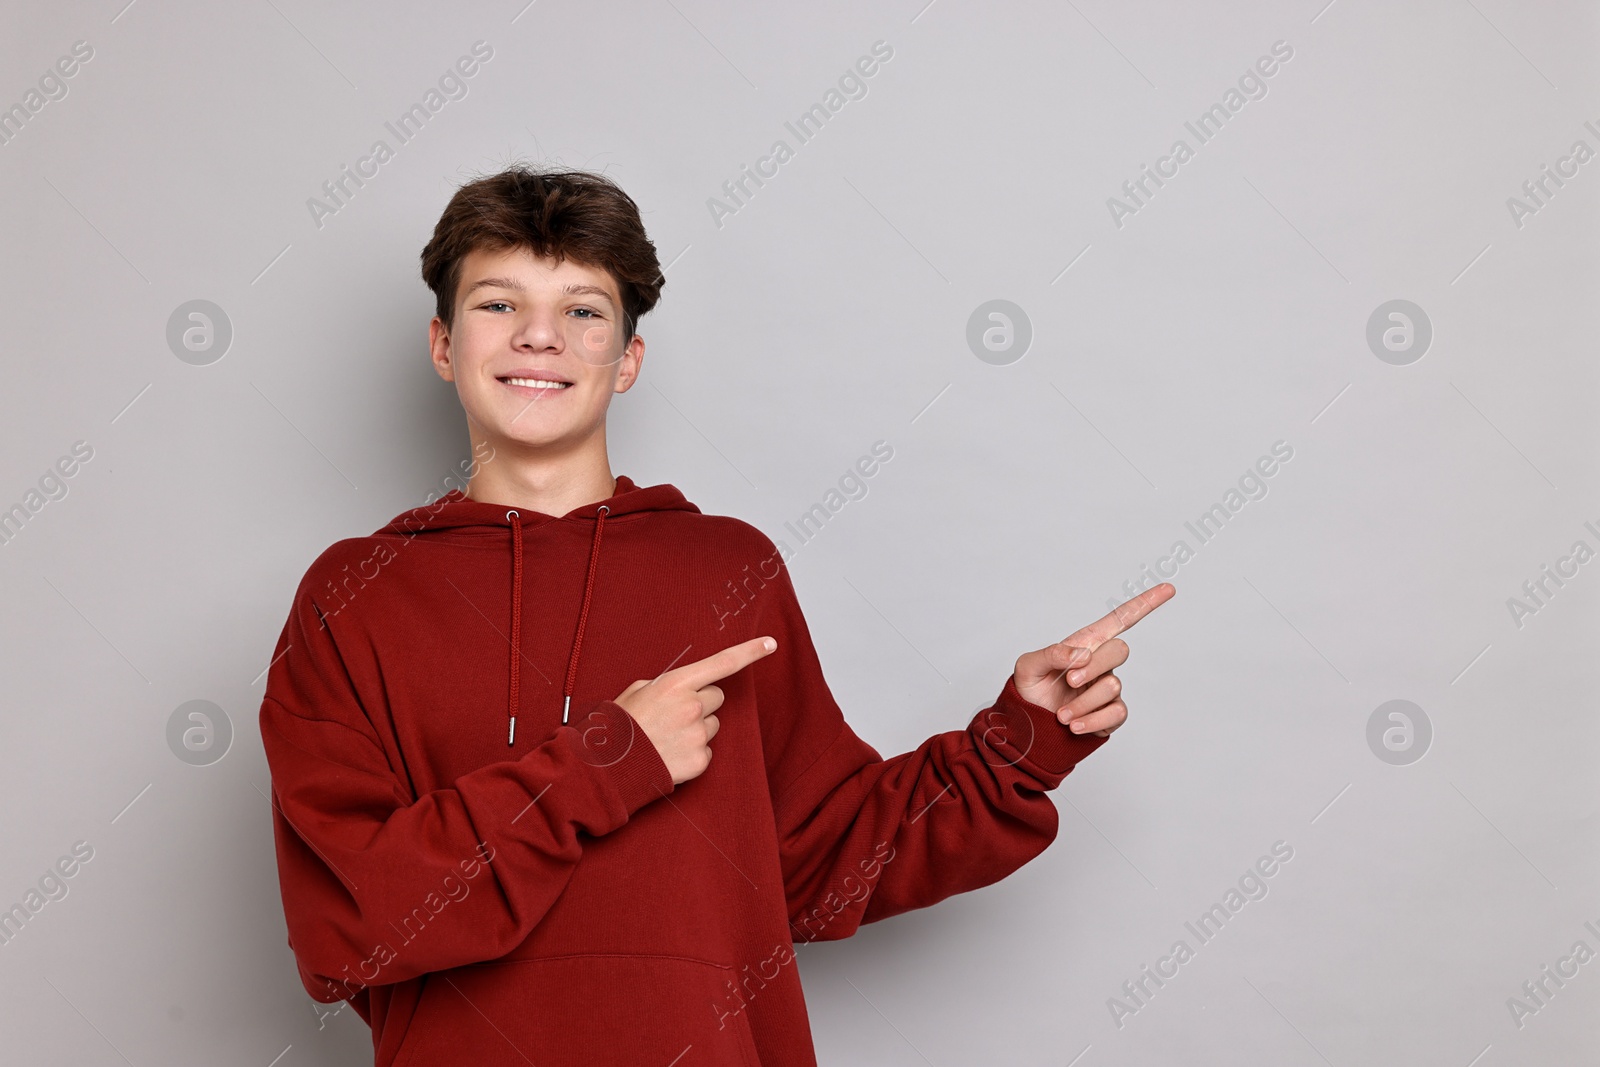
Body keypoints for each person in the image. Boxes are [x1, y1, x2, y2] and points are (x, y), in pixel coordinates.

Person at [257, 165, 1174, 1067]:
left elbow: (822, 858)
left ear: (627, 359)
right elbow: (350, 925)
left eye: (583, 311)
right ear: (443, 345)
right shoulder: (355, 594)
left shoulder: (725, 570)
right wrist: (605, 763)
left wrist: (1015, 744)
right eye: (499, 304)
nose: (540, 338)